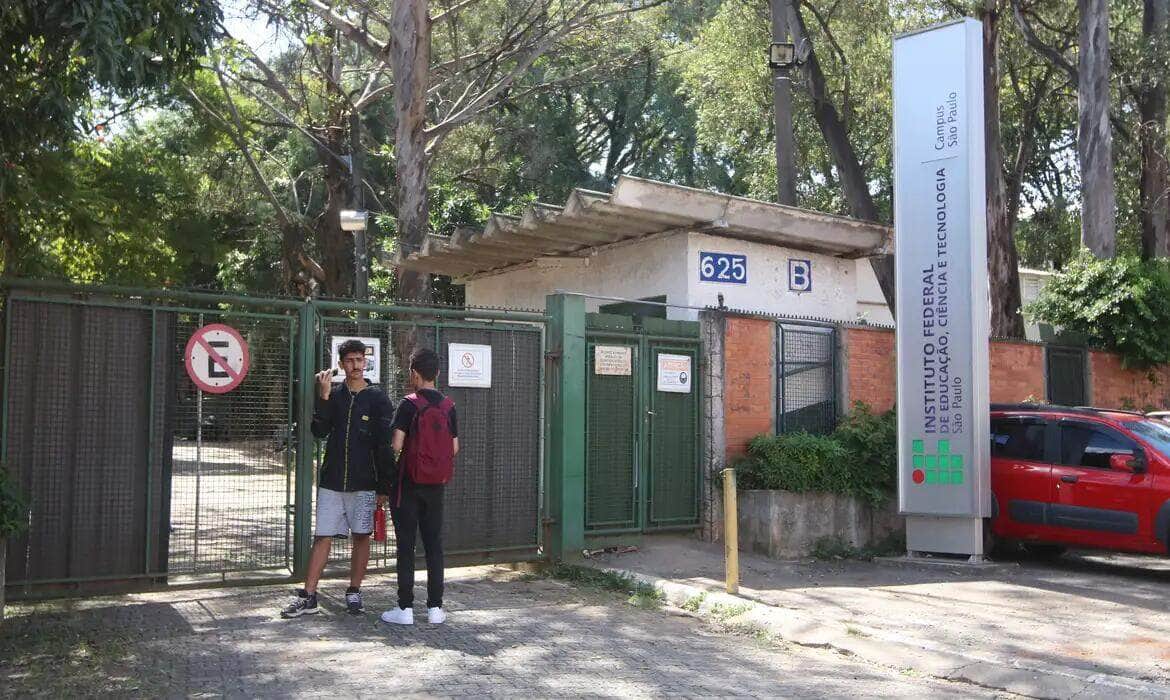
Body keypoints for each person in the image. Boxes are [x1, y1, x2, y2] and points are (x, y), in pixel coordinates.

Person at [281, 339, 393, 618]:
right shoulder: (335, 394)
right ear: (341, 364)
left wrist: (384, 486)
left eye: (360, 359)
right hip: (332, 480)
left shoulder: (378, 398)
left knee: (361, 537)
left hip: (366, 483)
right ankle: (308, 596)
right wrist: (325, 395)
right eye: (350, 360)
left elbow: (385, 445)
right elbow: (319, 431)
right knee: (322, 537)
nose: (356, 365)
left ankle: (354, 591)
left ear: (365, 362)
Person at [380, 347, 458, 626]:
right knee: (434, 545)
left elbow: (397, 445)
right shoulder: (449, 406)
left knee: (406, 546)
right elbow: (455, 447)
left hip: (408, 485)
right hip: (436, 486)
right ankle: (436, 608)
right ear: (437, 373)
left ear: (414, 373)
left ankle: (405, 608)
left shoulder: (408, 404)